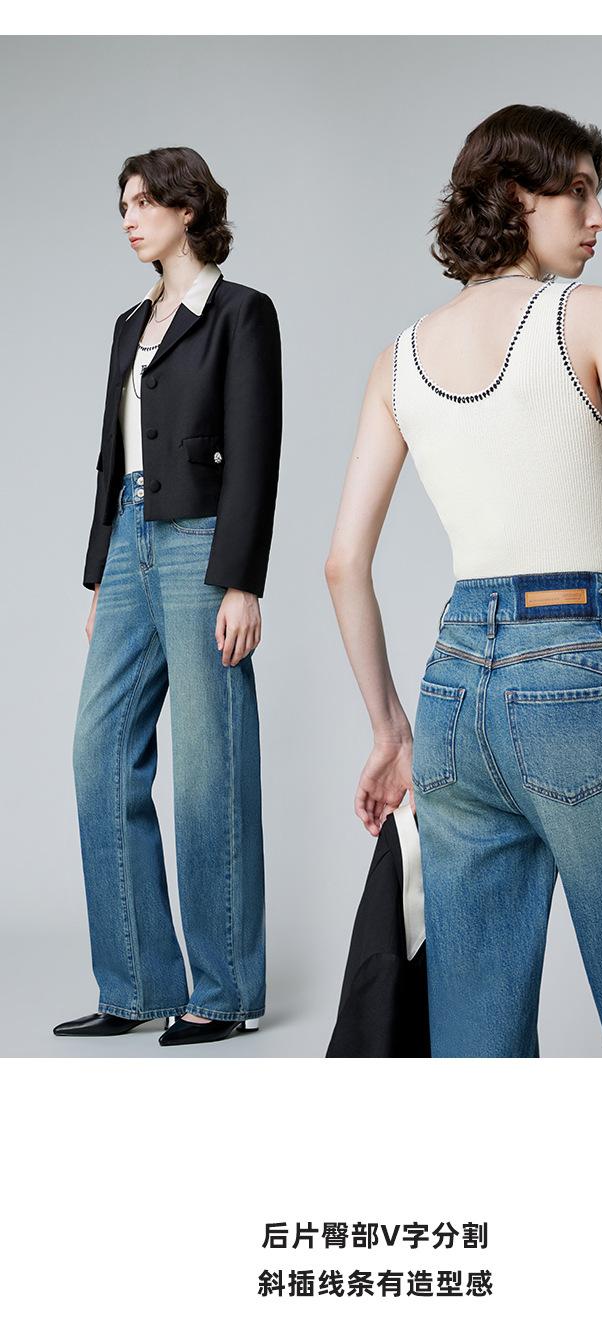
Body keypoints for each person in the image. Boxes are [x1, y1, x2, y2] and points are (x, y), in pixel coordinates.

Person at [325, 104, 602, 1058]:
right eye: (579, 192)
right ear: (517, 197)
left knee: (476, 1045)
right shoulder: (591, 316)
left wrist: (390, 730)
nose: (600, 218)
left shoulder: (397, 361)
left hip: (452, 696)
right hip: (574, 673)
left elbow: (343, 562)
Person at [54, 146, 282, 1047]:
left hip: (201, 546)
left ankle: (223, 993)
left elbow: (255, 452)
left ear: (189, 209)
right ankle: (138, 982)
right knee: (99, 754)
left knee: (208, 767)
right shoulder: (130, 322)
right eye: (123, 205)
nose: (129, 218)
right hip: (130, 543)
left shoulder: (240, 313)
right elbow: (109, 454)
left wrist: (243, 579)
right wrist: (102, 573)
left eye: (144, 202)